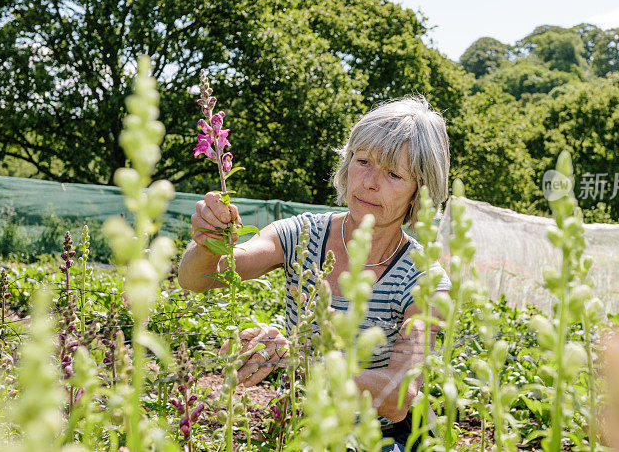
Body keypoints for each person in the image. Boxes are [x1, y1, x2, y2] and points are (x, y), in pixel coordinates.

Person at [178, 97, 452, 451]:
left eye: (393, 174)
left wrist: (300, 360)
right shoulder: (302, 235)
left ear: (421, 191)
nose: (370, 182)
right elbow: (201, 278)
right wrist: (208, 242)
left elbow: (398, 396)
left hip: (378, 438)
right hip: (298, 429)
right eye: (363, 161)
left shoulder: (424, 280)